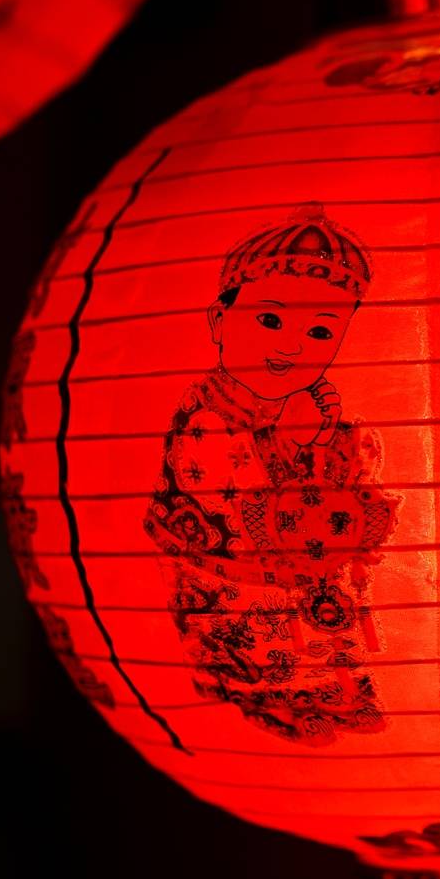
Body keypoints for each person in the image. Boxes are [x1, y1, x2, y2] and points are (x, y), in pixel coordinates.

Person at [144, 203, 397, 746]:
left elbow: (345, 480)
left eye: (322, 331)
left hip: (306, 566)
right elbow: (227, 498)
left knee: (326, 640)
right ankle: (270, 704)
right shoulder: (208, 413)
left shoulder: (317, 409)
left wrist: (340, 453)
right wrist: (295, 440)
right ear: (219, 320)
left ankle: (333, 700)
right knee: (265, 646)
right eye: (270, 319)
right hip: (230, 574)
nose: (292, 345)